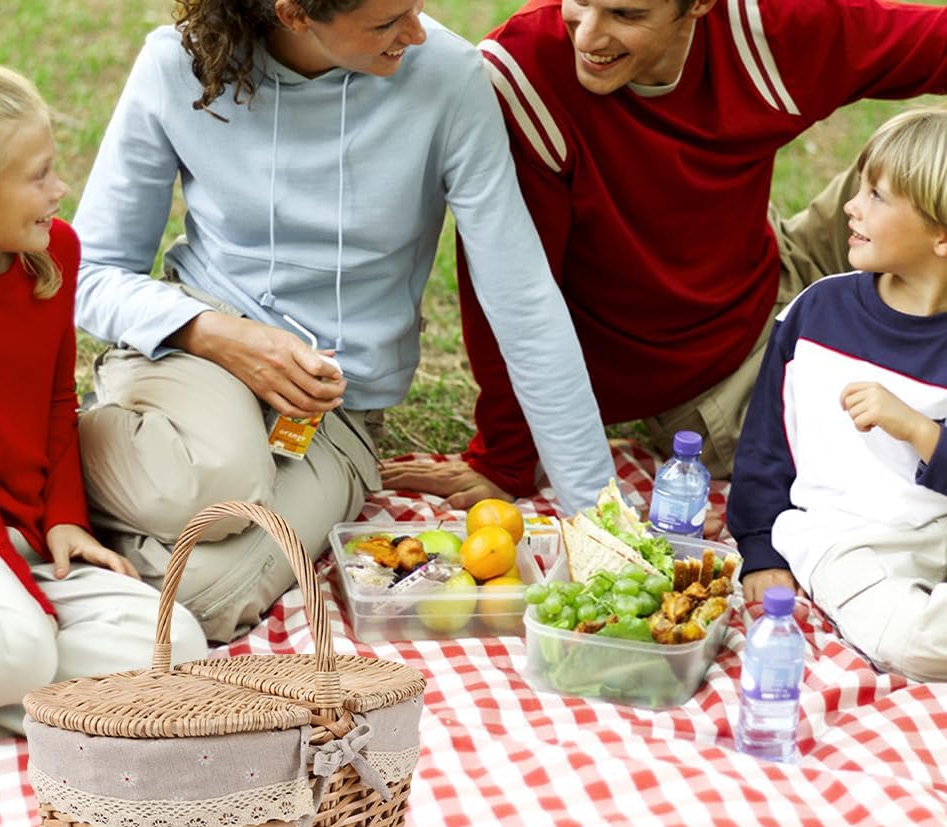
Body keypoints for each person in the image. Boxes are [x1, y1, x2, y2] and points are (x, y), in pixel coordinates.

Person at [72, 0, 615, 643]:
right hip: (201, 350)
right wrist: (218, 334)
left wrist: (599, 520)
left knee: (204, 598)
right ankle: (59, 450)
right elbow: (90, 272)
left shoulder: (447, 76)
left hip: (334, 409)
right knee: (217, 477)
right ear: (295, 15)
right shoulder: (178, 66)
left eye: (417, 7)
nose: (416, 33)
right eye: (388, 23)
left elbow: (522, 298)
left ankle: (89, 531)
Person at [381, 0, 947, 509]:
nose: (589, 35)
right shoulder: (528, 75)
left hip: (774, 264)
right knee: (882, 470)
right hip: (710, 378)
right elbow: (511, 291)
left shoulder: (767, 33)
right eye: (579, 2)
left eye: (626, 15)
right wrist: (505, 457)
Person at [0, 59, 208, 745]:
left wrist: (64, 519)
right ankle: (7, 660)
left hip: (15, 530)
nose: (61, 190)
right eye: (37, 176)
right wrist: (27, 602)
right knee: (23, 645)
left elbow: (59, 404)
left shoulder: (53, 252)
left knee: (177, 643)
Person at [727, 106, 947, 683]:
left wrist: (918, 430)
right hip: (844, 540)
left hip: (940, 532)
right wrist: (761, 549)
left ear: (942, 234)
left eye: (877, 195)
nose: (851, 205)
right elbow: (765, 450)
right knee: (915, 643)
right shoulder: (818, 313)